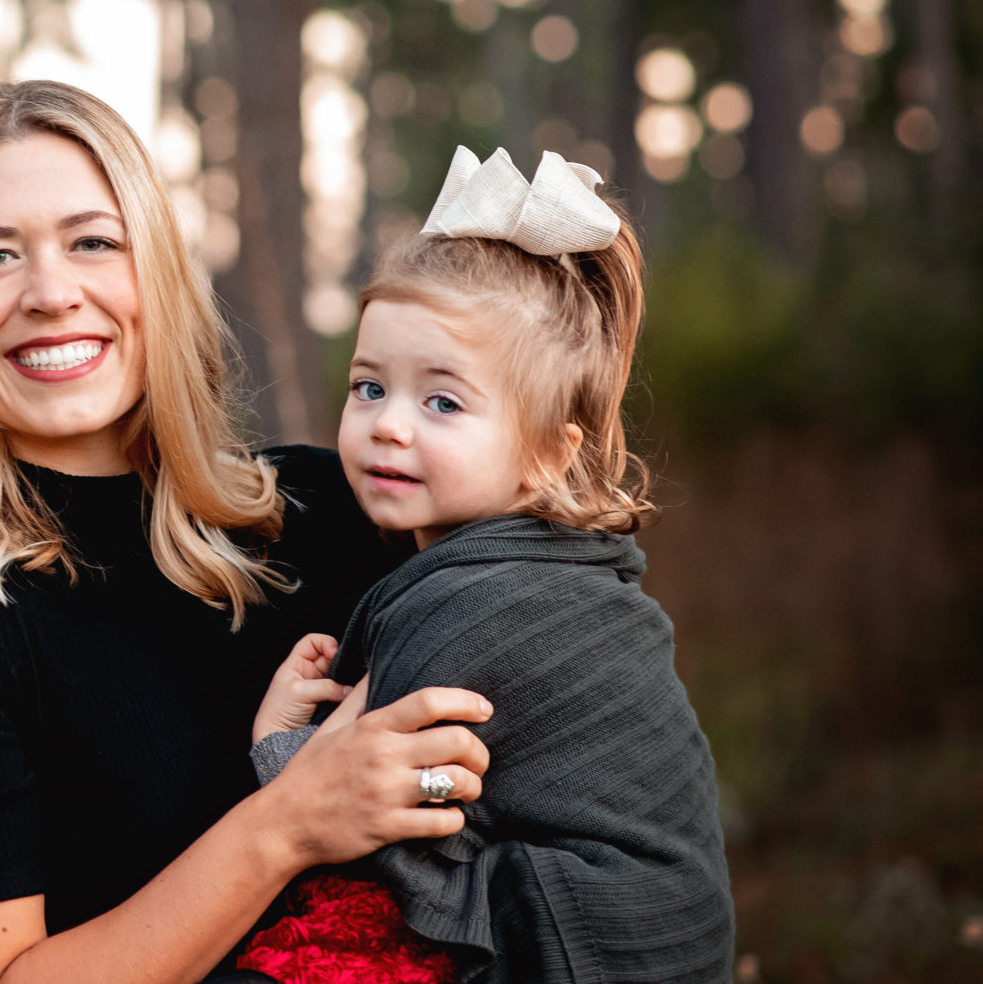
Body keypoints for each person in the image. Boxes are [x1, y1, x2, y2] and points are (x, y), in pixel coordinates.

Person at [0, 80, 495, 984]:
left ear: (158, 271)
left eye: (94, 241)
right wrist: (290, 820)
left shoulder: (341, 508)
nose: (52, 292)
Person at [235, 146, 734, 984]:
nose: (390, 425)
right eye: (369, 387)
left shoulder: (488, 606)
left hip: (600, 939)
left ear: (546, 453)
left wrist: (282, 747)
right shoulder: (546, 565)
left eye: (442, 401)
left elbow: (373, 815)